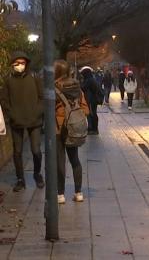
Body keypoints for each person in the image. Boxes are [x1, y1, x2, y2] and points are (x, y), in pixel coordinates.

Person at [0, 51, 45, 192]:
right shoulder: (8, 80)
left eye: (23, 63)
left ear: (27, 63)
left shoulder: (34, 77)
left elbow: (42, 97)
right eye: (17, 63)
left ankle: (37, 174)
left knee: (36, 150)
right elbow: (4, 100)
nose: (20, 65)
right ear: (12, 64)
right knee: (17, 152)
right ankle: (20, 179)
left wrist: (37, 112)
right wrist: (11, 115)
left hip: (34, 121)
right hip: (16, 121)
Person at [54, 60, 89, 204]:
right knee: (74, 159)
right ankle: (78, 192)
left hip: (58, 128)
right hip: (72, 128)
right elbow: (85, 109)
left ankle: (60, 194)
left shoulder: (53, 88)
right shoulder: (77, 87)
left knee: (60, 161)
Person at [80, 66, 100, 135]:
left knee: (92, 114)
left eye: (83, 74)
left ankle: (93, 129)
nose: (82, 75)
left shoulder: (89, 80)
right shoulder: (91, 79)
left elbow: (83, 87)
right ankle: (92, 128)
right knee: (92, 114)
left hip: (91, 100)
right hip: (92, 100)